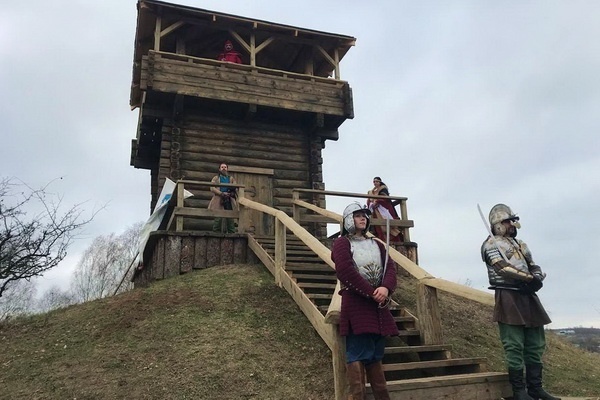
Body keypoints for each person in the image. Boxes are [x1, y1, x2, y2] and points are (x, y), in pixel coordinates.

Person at [481, 204, 561, 400]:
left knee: (535, 343)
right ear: (498, 224)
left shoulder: (520, 244)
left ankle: (535, 388)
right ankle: (519, 392)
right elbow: (501, 268)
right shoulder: (490, 245)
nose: (512, 224)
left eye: (512, 221)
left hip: (528, 295)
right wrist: (528, 279)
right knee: (514, 344)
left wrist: (537, 278)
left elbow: (534, 265)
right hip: (508, 295)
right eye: (507, 221)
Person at [331, 202, 399, 400]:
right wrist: (371, 292)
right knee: (358, 353)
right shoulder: (342, 243)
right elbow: (345, 271)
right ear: (348, 220)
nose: (363, 218)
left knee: (376, 355)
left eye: (365, 215)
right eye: (358, 215)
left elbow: (390, 268)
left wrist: (385, 288)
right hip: (357, 304)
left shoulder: (377, 244)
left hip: (378, 307)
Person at [367, 177, 403, 243]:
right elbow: (369, 200)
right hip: (375, 210)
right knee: (377, 226)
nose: (375, 183)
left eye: (377, 181)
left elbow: (386, 199)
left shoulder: (383, 189)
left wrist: (378, 201)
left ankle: (392, 239)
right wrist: (371, 203)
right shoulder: (371, 191)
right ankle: (380, 239)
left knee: (387, 223)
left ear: (380, 182)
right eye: (374, 181)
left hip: (383, 209)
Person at [208, 163, 237, 233]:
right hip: (219, 198)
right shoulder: (216, 178)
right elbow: (212, 187)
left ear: (227, 169)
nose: (224, 168)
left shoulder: (231, 178)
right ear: (219, 169)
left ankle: (231, 233)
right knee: (218, 217)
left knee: (230, 216)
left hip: (228, 198)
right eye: (222, 167)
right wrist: (221, 193)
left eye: (225, 167)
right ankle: (216, 233)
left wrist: (230, 193)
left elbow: (235, 187)